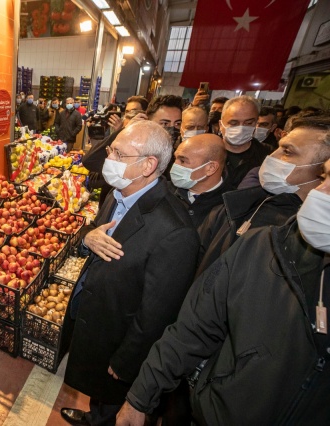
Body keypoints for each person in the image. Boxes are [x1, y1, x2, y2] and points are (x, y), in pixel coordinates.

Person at [115, 158, 330, 426]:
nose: (320, 193)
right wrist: (140, 396)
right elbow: (194, 327)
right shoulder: (263, 246)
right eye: (325, 178)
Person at [60, 121, 200, 426]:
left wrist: (129, 360)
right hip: (99, 319)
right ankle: (93, 415)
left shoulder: (175, 232)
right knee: (99, 393)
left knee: (116, 406)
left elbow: (158, 312)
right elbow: (96, 232)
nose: (109, 158)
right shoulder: (117, 193)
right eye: (111, 150)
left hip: (121, 340)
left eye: (118, 154)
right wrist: (87, 237)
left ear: (148, 165)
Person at [198, 114, 330, 275]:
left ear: (324, 167)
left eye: (287, 152)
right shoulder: (236, 207)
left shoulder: (317, 237)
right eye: (278, 148)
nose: (272, 156)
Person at [169, 133, 228, 229]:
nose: (175, 165)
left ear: (211, 168)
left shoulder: (230, 206)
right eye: (175, 159)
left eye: (183, 161)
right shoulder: (165, 192)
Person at [218, 96, 271, 189]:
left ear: (256, 123)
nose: (241, 128)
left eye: (249, 123)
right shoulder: (206, 150)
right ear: (221, 125)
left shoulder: (268, 155)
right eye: (234, 123)